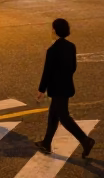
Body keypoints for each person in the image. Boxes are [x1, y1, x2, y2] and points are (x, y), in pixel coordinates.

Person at [33, 18, 96, 158]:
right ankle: (46, 142)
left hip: (57, 88)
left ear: (54, 30)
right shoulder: (71, 46)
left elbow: (47, 72)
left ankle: (85, 141)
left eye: (52, 28)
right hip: (67, 85)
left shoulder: (52, 50)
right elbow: (73, 67)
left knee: (64, 117)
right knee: (53, 115)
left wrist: (41, 89)